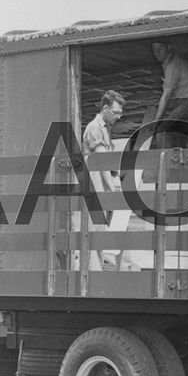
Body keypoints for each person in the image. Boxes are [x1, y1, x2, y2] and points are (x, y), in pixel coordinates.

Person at [80, 90, 137, 271]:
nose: (118, 116)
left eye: (120, 113)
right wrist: (113, 190)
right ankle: (94, 275)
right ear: (105, 108)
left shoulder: (105, 127)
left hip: (103, 187)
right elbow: (102, 162)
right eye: (116, 112)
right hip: (96, 188)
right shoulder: (94, 128)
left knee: (115, 229)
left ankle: (122, 269)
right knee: (97, 234)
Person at [151, 40, 188, 148]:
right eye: (154, 49)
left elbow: (167, 95)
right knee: (178, 137)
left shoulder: (172, 66)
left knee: (162, 131)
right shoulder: (174, 63)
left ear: (168, 48)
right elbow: (176, 93)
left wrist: (157, 120)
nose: (157, 52)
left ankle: (165, 163)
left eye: (160, 48)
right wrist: (159, 104)